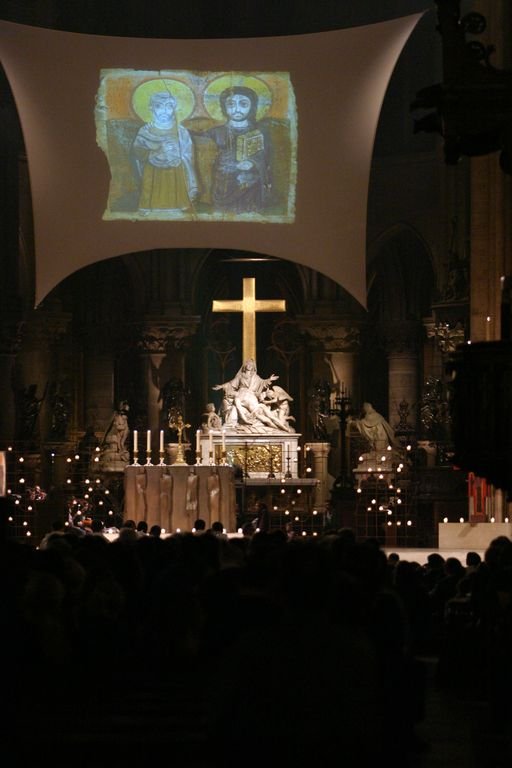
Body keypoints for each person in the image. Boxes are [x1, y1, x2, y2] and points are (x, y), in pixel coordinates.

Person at [202, 86, 271, 213]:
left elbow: (266, 158)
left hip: (249, 183)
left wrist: (252, 163)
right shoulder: (214, 132)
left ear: (252, 107)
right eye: (231, 104)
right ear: (224, 107)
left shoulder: (260, 132)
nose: (237, 109)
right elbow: (204, 155)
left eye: (243, 104)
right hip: (222, 182)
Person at [131, 90, 198, 213]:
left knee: (177, 206)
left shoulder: (181, 131)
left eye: (169, 106)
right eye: (159, 106)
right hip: (152, 173)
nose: (164, 111)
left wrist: (176, 155)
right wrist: (158, 151)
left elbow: (188, 155)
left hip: (175, 172)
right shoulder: (145, 131)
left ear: (174, 109)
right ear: (151, 108)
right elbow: (138, 152)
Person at [212, 359, 286, 431]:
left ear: (253, 367)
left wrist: (269, 379)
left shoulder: (256, 377)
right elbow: (231, 384)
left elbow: (262, 383)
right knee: (264, 416)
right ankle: (278, 427)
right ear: (245, 366)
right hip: (242, 395)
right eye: (248, 364)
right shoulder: (240, 377)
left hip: (251, 396)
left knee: (266, 415)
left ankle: (280, 428)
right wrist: (221, 386)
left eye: (251, 365)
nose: (249, 366)